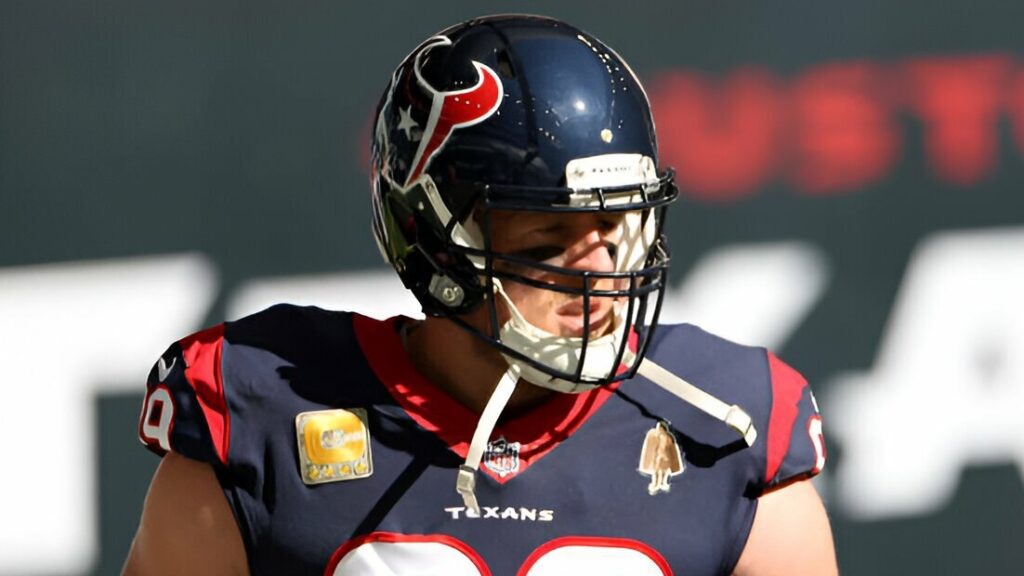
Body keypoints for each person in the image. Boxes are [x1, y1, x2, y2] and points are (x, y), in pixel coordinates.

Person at [124, 14, 837, 576]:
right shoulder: (259, 419)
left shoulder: (727, 428)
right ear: (427, 237)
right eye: (544, 243)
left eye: (617, 228)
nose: (599, 276)